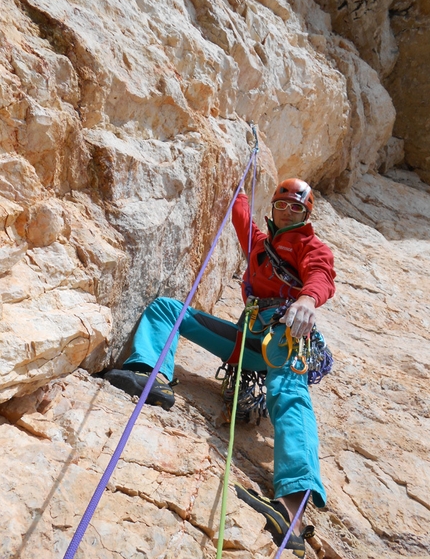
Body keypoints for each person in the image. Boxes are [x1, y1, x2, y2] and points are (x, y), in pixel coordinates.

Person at [104, 178, 336, 557]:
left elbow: (321, 274)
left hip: (286, 341)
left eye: (297, 208)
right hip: (248, 342)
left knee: (289, 395)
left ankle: (290, 512)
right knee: (168, 309)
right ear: (273, 209)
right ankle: (150, 374)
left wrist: (308, 300)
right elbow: (241, 217)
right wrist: (239, 186)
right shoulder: (259, 245)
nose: (288, 212)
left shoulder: (311, 246)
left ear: (306, 214)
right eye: (283, 206)